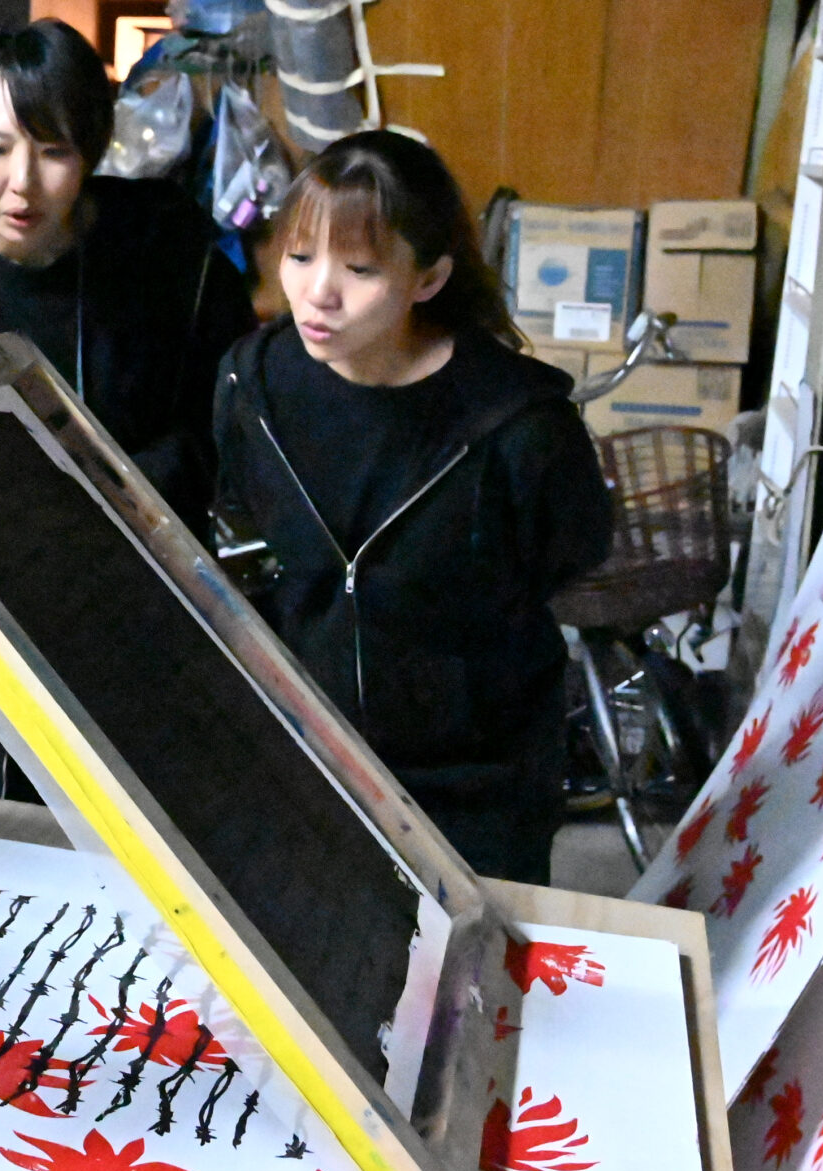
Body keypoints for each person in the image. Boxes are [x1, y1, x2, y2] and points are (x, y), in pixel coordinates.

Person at [211, 131, 611, 883]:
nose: (318, 292)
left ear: (428, 278)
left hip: (480, 786)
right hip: (316, 765)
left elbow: (571, 556)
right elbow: (250, 534)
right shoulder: (252, 384)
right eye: (300, 256)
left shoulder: (520, 427)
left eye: (359, 268)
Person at [0, 20, 254, 800]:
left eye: (53, 151)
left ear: (92, 148)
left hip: (138, 597)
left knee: (144, 812)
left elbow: (224, 433)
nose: (22, 183)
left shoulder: (172, 256)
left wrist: (95, 496)